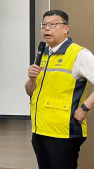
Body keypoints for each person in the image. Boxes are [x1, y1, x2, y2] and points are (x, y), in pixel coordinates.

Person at [25, 10, 94, 169]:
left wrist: (85, 108)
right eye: (44, 25)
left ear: (66, 29)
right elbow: (30, 92)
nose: (47, 29)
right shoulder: (43, 54)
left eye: (53, 24)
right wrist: (31, 79)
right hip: (40, 130)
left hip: (64, 133)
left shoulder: (78, 54)